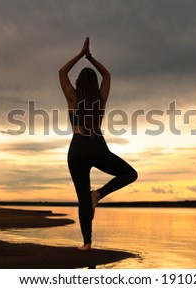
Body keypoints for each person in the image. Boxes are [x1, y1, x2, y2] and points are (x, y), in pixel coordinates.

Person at [59, 37, 138, 250]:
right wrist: (90, 57)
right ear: (94, 85)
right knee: (130, 174)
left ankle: (87, 244)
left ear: (78, 84)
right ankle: (99, 194)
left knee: (82, 199)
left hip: (76, 149)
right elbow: (107, 75)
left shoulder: (72, 99)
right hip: (96, 146)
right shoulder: (100, 100)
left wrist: (80, 54)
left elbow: (62, 72)